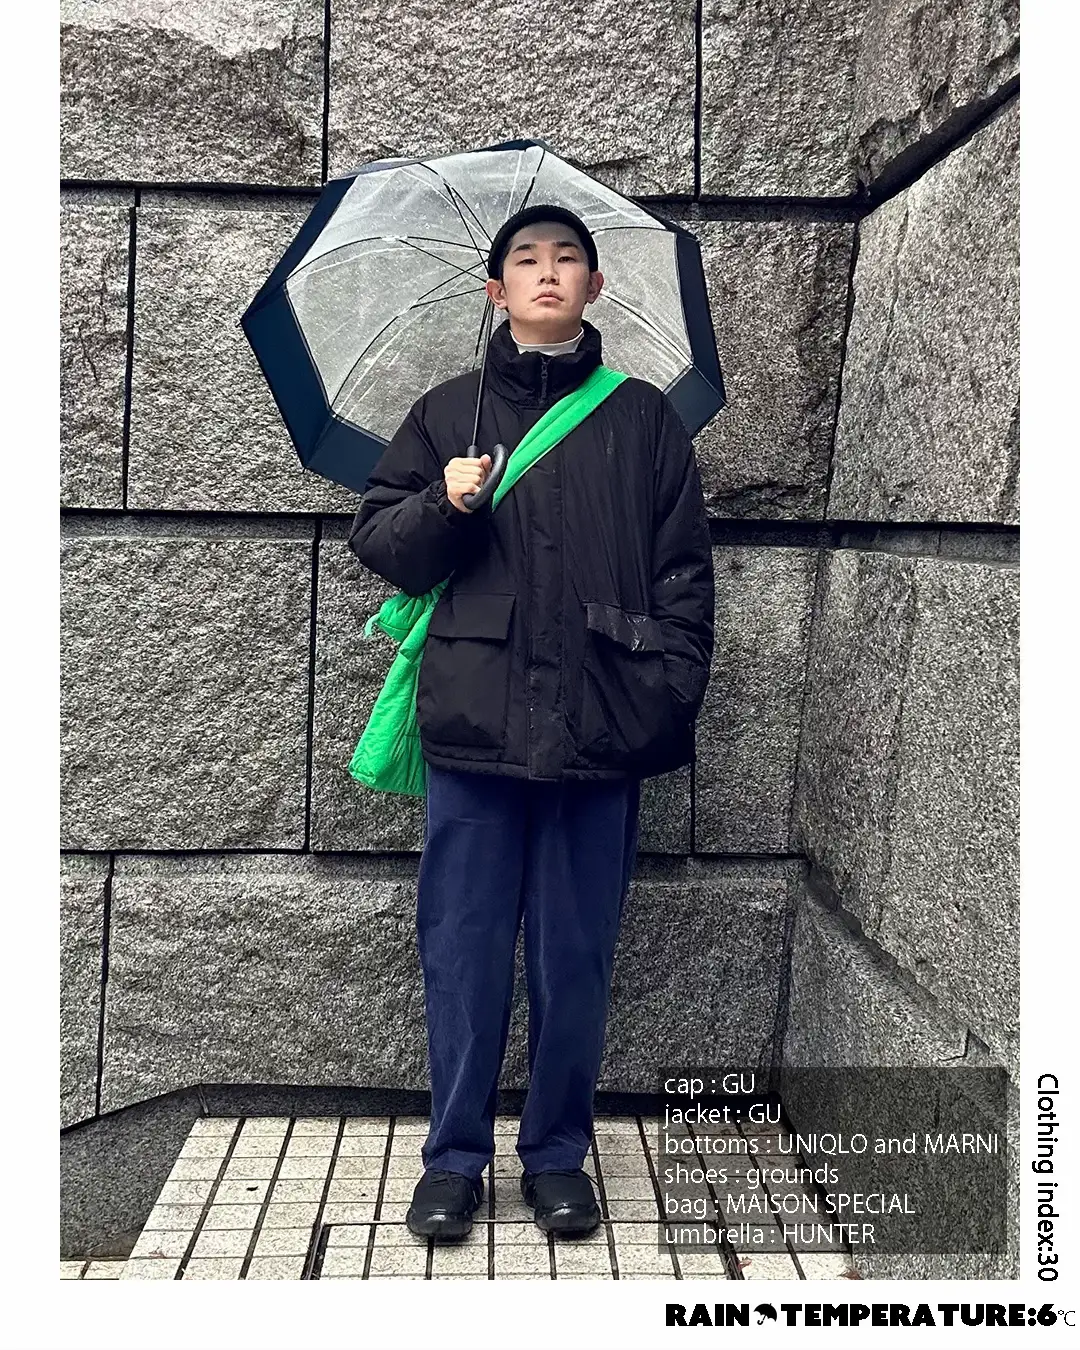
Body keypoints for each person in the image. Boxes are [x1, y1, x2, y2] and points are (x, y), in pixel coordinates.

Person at [347, 204, 714, 1241]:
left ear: (594, 288)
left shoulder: (644, 420)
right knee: (460, 951)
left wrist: (668, 689)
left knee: (576, 956)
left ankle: (558, 1155)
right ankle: (452, 1161)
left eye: (567, 260)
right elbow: (383, 546)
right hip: (473, 726)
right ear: (496, 292)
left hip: (602, 727)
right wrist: (448, 504)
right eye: (526, 261)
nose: (548, 274)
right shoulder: (447, 414)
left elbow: (686, 574)